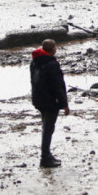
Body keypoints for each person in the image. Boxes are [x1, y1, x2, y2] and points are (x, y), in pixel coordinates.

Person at [30, 39, 70, 168]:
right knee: (48, 129)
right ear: (53, 49)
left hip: (38, 99)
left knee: (46, 126)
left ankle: (47, 155)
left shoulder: (34, 62)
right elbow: (58, 87)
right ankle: (45, 158)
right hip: (50, 101)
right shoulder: (52, 65)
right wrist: (65, 104)